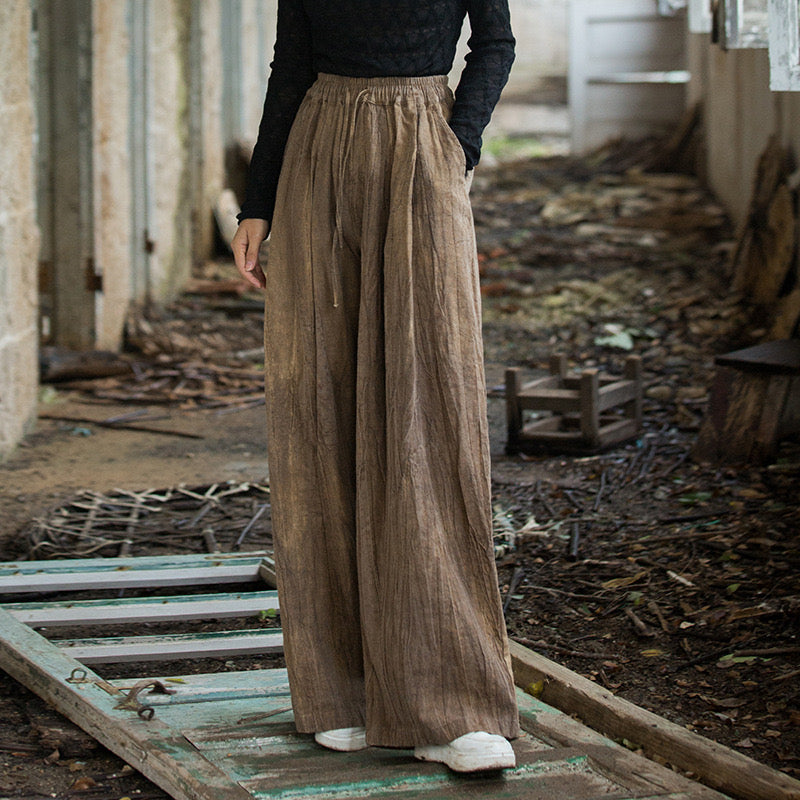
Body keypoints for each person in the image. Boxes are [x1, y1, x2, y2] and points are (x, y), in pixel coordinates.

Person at [232, 1, 520, 773]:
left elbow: (495, 40)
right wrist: (259, 199)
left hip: (423, 144)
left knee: (429, 406)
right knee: (319, 409)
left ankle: (450, 704)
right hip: (317, 152)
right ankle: (342, 690)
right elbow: (291, 67)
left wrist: (457, 145)